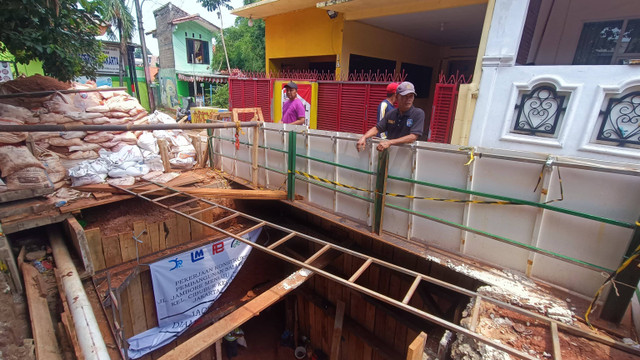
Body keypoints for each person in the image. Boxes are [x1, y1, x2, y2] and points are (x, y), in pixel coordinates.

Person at [357, 81, 424, 152]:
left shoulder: (418, 113)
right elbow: (377, 128)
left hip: (407, 156)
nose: (408, 99)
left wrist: (390, 142)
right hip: (390, 153)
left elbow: (413, 137)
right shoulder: (391, 113)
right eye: (405, 96)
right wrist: (364, 137)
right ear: (397, 96)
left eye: (411, 96)